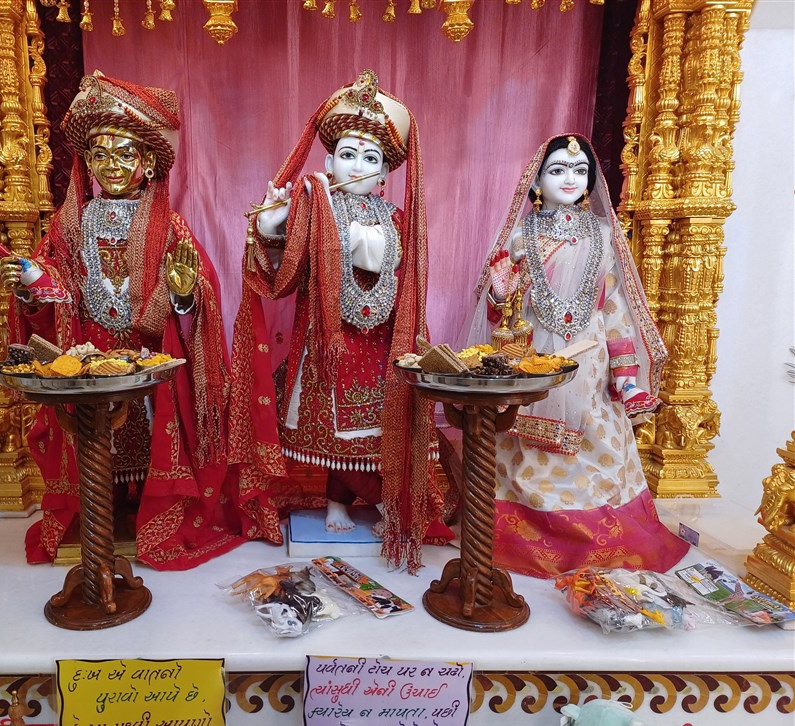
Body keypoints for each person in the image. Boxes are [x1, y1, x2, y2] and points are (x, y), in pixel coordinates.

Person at [1, 71, 244, 570]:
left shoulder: (169, 226)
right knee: (94, 442)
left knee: (148, 438)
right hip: (85, 356)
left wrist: (182, 294)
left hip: (148, 360)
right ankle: (100, 512)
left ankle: (149, 508)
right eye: (100, 154)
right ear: (87, 162)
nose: (111, 165)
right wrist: (30, 284)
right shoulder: (70, 223)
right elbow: (56, 284)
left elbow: (199, 296)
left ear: (149, 162)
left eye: (124, 153)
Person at [229, 70, 449, 571]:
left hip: (384, 342)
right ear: (328, 162)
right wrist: (273, 225)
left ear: (385, 174)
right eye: (347, 154)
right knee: (331, 432)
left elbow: (388, 262)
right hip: (329, 341)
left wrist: (331, 223)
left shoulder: (394, 219)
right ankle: (336, 502)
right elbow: (282, 270)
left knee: (379, 428)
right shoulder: (312, 208)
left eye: (370, 159)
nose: (357, 166)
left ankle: (382, 499)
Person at [465, 134, 688, 578]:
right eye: (558, 170)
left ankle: (594, 534)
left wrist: (626, 377)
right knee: (524, 443)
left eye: (580, 171)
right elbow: (500, 312)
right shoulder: (520, 236)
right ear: (536, 182)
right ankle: (525, 531)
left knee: (595, 437)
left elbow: (616, 309)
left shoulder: (605, 237)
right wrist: (501, 294)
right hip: (533, 358)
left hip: (590, 360)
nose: (570, 178)